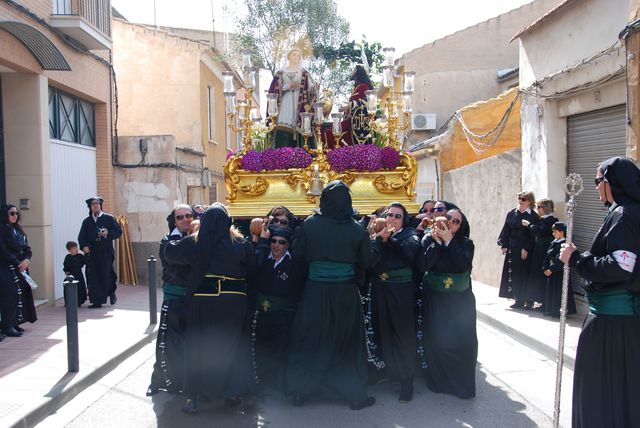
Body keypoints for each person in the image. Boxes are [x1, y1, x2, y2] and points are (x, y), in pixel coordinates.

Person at [559, 157, 640, 428]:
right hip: (623, 322)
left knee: (602, 395)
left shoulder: (625, 214)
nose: (595, 188)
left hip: (612, 325)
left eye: (598, 181)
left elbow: (621, 266)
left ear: (611, 182)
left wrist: (575, 259)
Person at [286, 181, 375, 410]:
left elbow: (297, 254)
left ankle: (300, 391)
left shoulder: (309, 225)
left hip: (315, 291)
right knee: (346, 341)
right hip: (345, 293)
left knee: (310, 339)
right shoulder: (357, 230)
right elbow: (367, 261)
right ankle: (354, 394)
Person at [164, 204, 259, 414]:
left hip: (202, 303)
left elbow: (170, 254)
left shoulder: (193, 242)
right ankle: (231, 393)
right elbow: (253, 269)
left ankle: (193, 397)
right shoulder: (241, 244)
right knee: (231, 348)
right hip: (233, 304)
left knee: (198, 348)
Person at [418, 207, 477, 399]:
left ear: (460, 226)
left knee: (462, 341)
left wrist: (449, 242)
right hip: (435, 298)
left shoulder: (466, 244)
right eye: (448, 218)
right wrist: (436, 242)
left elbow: (463, 265)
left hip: (460, 300)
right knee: (437, 340)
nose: (451, 223)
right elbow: (423, 265)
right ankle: (439, 380)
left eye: (456, 221)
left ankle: (462, 384)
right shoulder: (428, 240)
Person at [367, 202, 420, 402]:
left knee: (402, 335)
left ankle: (407, 381)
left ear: (403, 220)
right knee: (383, 332)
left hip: (400, 292)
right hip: (380, 290)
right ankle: (388, 371)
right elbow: (369, 261)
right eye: (390, 215)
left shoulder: (410, 235)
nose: (392, 219)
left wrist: (389, 241)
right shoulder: (378, 236)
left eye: (398, 216)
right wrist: (377, 239)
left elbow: (410, 254)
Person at [250, 226, 306, 389]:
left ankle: (280, 381)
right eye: (273, 241)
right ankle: (262, 379)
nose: (276, 245)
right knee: (261, 346)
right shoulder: (262, 259)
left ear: (288, 244)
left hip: (284, 314)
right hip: (262, 313)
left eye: (281, 242)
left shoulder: (295, 264)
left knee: (281, 348)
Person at [147, 205, 193, 396]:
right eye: (180, 217)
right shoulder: (167, 241)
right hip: (174, 299)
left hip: (193, 300)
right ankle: (159, 381)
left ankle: (188, 382)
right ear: (174, 221)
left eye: (189, 215)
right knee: (167, 342)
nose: (185, 219)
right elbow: (178, 266)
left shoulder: (199, 238)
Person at [78, 197, 122, 308]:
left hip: (106, 252)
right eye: (93, 204)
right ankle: (97, 301)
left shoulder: (109, 218)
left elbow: (118, 232)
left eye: (97, 203)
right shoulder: (87, 221)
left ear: (100, 205)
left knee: (107, 274)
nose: (95, 205)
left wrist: (107, 232)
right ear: (90, 207)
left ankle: (111, 292)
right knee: (93, 276)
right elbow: (81, 237)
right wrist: (84, 247)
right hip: (93, 253)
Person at [497, 191, 539, 309]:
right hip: (513, 248)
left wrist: (526, 248)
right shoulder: (512, 213)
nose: (520, 201)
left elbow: (533, 235)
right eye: (519, 198)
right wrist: (504, 244)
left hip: (526, 249)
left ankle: (528, 301)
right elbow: (506, 230)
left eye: (523, 199)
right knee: (514, 274)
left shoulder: (533, 216)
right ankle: (518, 299)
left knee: (525, 274)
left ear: (530, 201)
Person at [267, 48, 316, 148]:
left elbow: (312, 89)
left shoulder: (304, 73)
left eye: (298, 56)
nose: (296, 57)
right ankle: (282, 155)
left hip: (299, 104)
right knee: (282, 124)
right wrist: (288, 86)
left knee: (300, 125)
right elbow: (273, 90)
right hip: (285, 103)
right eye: (294, 54)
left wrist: (315, 90)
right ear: (289, 56)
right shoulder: (280, 73)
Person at [0, 204, 37, 337]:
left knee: (21, 294)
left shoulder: (18, 230)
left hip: (21, 266)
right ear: (5, 215)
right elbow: (3, 250)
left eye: (16, 213)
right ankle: (7, 325)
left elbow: (27, 248)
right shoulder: (2, 230)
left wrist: (26, 260)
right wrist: (17, 263)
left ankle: (16, 321)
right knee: (10, 295)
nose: (15, 216)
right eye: (11, 213)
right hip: (7, 266)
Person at [522, 198, 558, 310]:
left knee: (543, 276)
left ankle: (544, 302)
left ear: (545, 208)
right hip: (538, 252)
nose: (537, 209)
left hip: (544, 252)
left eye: (539, 207)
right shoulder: (541, 220)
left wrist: (529, 225)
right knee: (536, 276)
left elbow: (541, 231)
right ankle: (534, 300)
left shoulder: (551, 221)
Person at [329, 65, 374, 147]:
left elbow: (364, 102)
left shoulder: (363, 87)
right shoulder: (357, 88)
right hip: (351, 120)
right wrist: (346, 108)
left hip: (357, 123)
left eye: (354, 70)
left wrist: (347, 107)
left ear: (358, 72)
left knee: (330, 133)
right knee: (332, 130)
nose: (352, 71)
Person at [541, 222, 576, 317]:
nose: (553, 234)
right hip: (551, 273)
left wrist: (552, 269)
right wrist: (545, 267)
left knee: (559, 292)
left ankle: (558, 311)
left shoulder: (564, 244)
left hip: (559, 273)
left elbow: (560, 259)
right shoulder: (554, 243)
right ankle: (551, 310)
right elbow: (547, 256)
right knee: (551, 291)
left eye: (555, 232)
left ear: (561, 232)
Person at [63, 241, 87, 307]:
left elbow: (85, 261)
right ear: (69, 250)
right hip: (70, 275)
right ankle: (68, 302)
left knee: (79, 288)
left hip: (78, 274)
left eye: (76, 248)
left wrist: (86, 254)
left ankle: (79, 302)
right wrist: (66, 271)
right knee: (68, 288)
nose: (76, 249)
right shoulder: (67, 257)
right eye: (73, 248)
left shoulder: (80, 256)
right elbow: (65, 266)